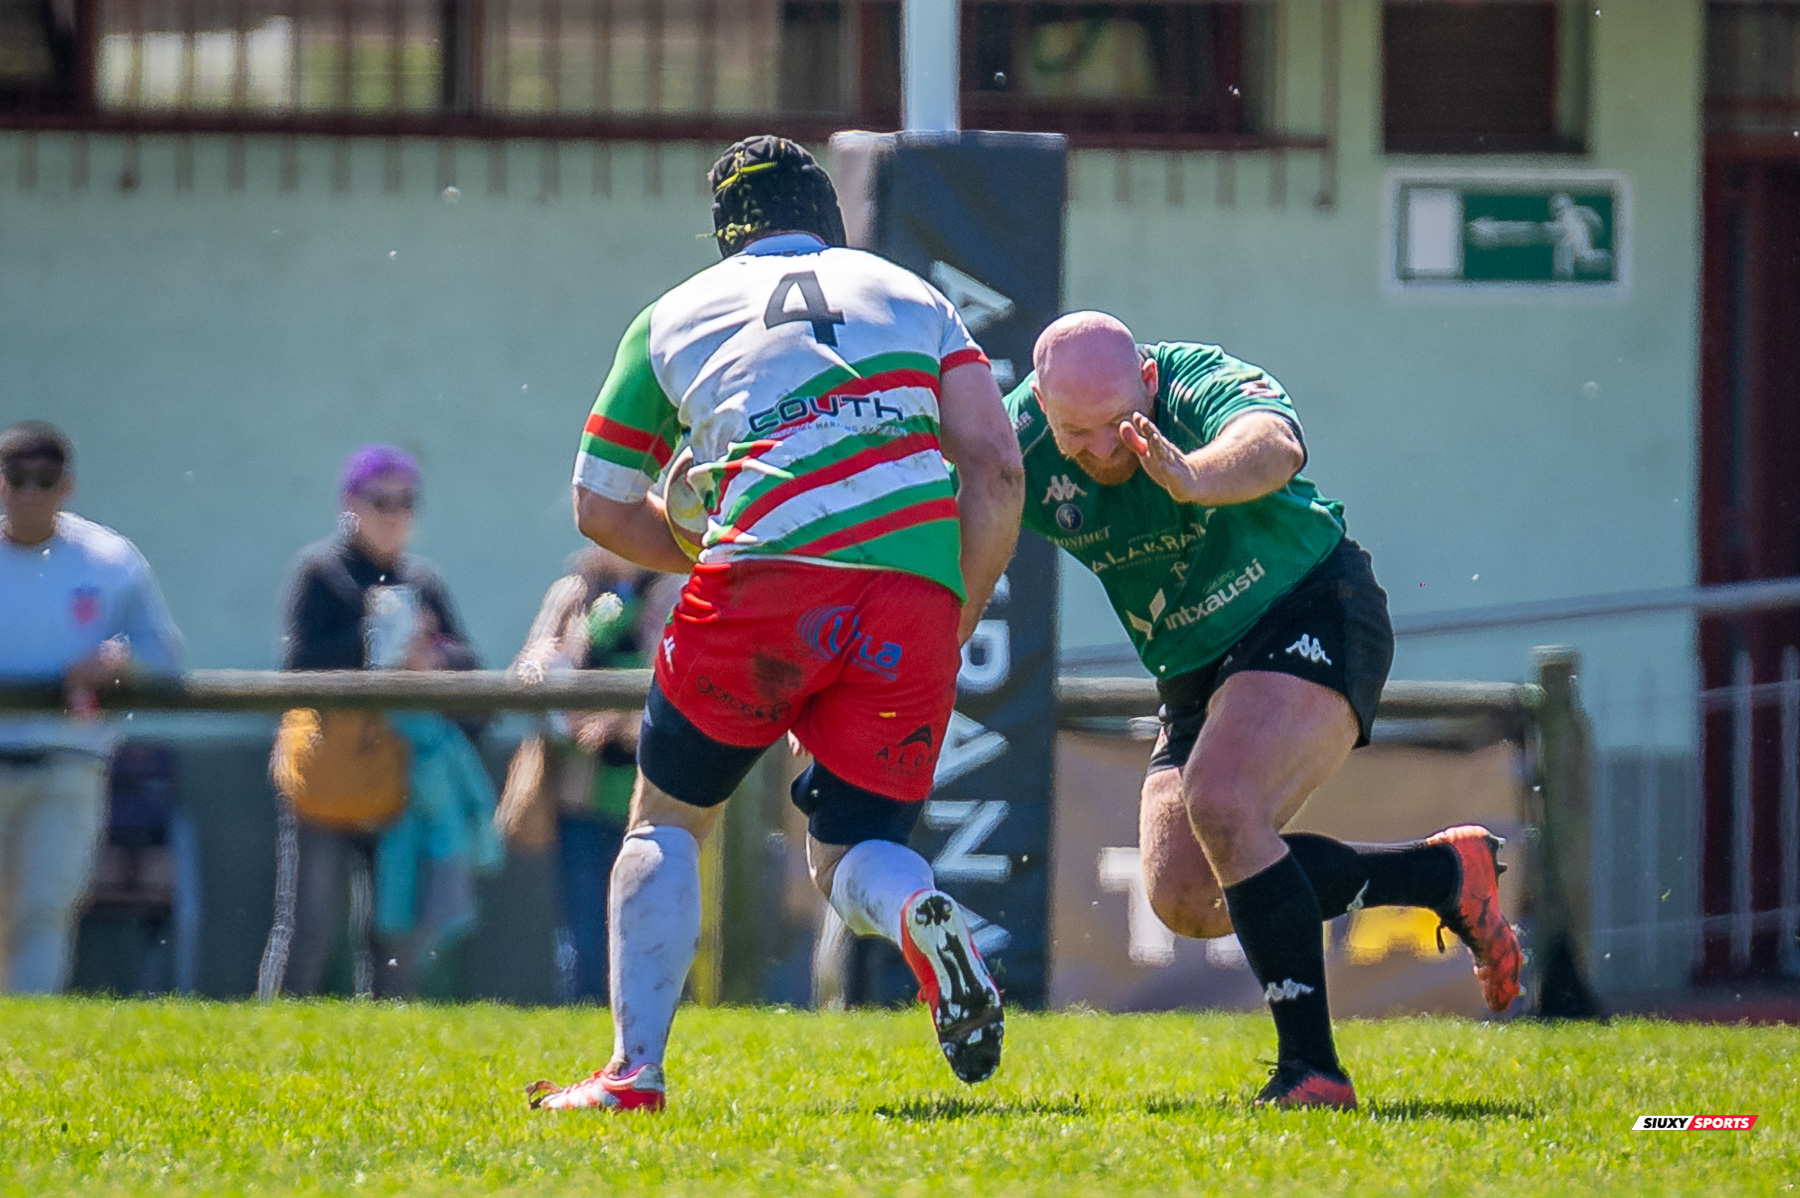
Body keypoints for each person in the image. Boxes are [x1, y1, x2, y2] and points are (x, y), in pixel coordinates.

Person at [527, 135, 1025, 1112]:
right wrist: (954, 610)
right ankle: (921, 910)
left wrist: (703, 549)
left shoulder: (672, 313)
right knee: (850, 854)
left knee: (667, 819)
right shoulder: (911, 295)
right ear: (827, 221)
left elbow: (598, 503)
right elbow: (997, 466)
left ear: (726, 236)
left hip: (760, 576)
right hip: (911, 588)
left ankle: (634, 1073)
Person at [1006, 313, 1522, 1109]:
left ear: (1146, 380)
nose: (1106, 449)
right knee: (1186, 895)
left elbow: (1273, 443)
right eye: (1080, 432)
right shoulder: (1017, 443)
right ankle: (1442, 874)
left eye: (1120, 423)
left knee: (1223, 799)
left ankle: (1312, 1073)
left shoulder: (1191, 379)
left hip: (1311, 606)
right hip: (1192, 669)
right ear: (1041, 403)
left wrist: (1194, 476)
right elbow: (945, 510)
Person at [257, 445, 484, 999]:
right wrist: (375, 644)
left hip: (401, 776)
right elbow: (299, 665)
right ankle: (272, 1038)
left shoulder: (423, 582)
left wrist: (432, 657)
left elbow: (470, 667)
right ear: (349, 504)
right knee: (310, 923)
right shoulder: (320, 573)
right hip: (327, 773)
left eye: (406, 501)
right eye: (380, 500)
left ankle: (388, 1038)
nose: (393, 513)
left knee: (393, 926)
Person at [0, 420, 184, 993]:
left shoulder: (108, 560)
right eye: (18, 478)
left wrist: (120, 661)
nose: (31, 492)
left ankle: (27, 1049)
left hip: (70, 759)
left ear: (67, 487)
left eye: (45, 479)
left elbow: (166, 661)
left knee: (47, 910)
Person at [499, 548, 681, 1003]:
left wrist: (618, 722)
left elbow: (683, 684)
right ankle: (581, 1023)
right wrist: (538, 669)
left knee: (647, 924)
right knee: (583, 929)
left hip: (653, 794)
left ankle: (641, 1029)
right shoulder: (571, 595)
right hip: (579, 790)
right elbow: (524, 675)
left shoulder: (677, 592)